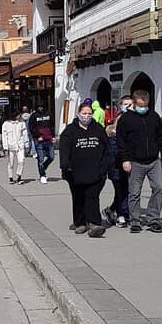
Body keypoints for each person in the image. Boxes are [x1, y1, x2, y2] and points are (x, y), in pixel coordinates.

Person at [117, 88, 162, 233]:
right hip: (135, 161)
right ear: (134, 103)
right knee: (134, 192)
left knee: (159, 187)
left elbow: (160, 137)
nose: (143, 108)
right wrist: (125, 160)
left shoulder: (153, 116)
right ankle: (135, 221)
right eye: (140, 105)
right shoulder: (125, 119)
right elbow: (121, 142)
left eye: (145, 105)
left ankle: (153, 218)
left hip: (153, 160)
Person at [59, 101, 109, 237]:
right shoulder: (70, 131)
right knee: (79, 197)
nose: (87, 116)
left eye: (89, 114)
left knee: (92, 197)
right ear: (78, 114)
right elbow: (64, 150)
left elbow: (106, 149)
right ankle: (80, 223)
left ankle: (94, 224)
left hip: (96, 172)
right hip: (75, 172)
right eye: (84, 113)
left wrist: (105, 167)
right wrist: (65, 165)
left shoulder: (98, 129)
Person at [104, 96, 133, 226]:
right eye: (125, 104)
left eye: (130, 104)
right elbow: (113, 150)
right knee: (121, 190)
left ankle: (111, 210)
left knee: (124, 190)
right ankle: (122, 214)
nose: (128, 106)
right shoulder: (112, 131)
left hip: (129, 164)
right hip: (116, 164)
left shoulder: (134, 123)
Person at [28, 106, 55, 184]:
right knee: (40, 158)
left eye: (41, 107)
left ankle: (43, 167)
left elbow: (52, 125)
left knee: (51, 157)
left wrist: (53, 136)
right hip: (39, 140)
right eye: (39, 107)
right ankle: (42, 175)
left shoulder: (49, 114)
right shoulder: (34, 115)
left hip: (49, 139)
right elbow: (31, 127)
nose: (40, 108)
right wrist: (37, 136)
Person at [2, 113, 27, 184]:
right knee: (11, 163)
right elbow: (4, 136)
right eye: (18, 115)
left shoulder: (22, 123)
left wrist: (26, 143)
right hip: (11, 146)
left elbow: (25, 133)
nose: (20, 116)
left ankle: (19, 176)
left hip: (20, 146)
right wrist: (5, 147)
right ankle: (10, 177)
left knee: (21, 161)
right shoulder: (6, 124)